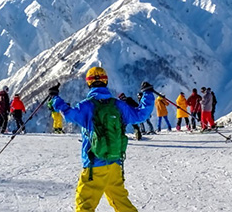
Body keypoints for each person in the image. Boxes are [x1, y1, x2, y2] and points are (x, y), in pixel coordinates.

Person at [48, 67, 155, 212]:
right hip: (115, 164)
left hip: (94, 165)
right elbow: (141, 114)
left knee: (84, 204)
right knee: (121, 202)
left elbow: (68, 114)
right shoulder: (118, 105)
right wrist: (147, 93)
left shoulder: (87, 106)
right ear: (105, 82)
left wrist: (55, 98)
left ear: (89, 84)